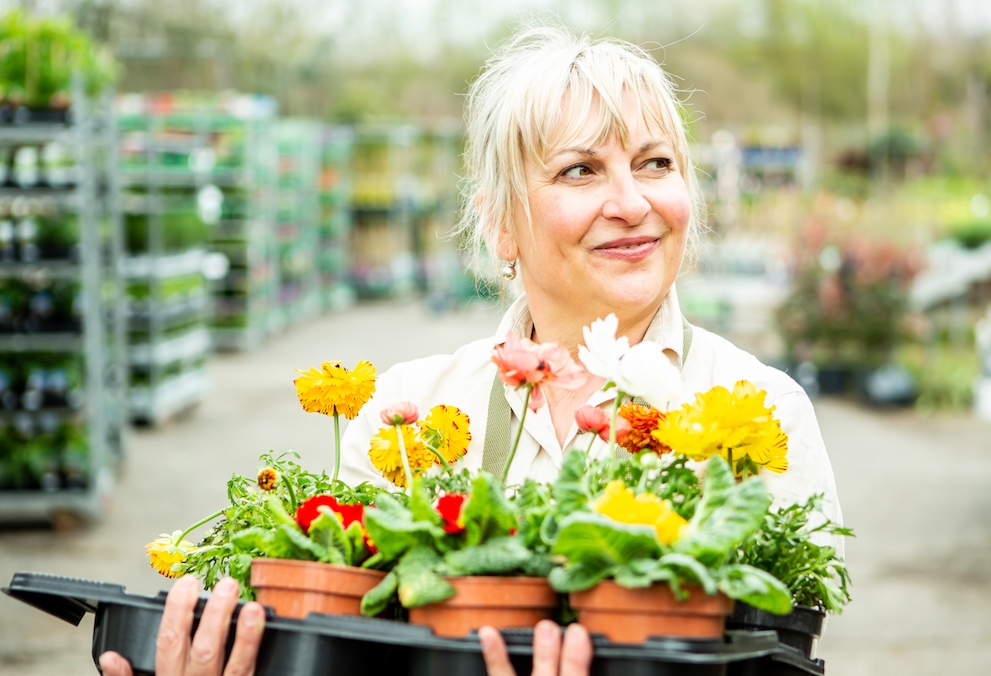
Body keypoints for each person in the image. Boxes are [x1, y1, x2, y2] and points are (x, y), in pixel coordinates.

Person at [99, 23, 841, 676]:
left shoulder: (764, 412)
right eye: (579, 170)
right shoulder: (410, 415)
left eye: (655, 164)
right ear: (500, 226)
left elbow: (777, 654)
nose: (632, 203)